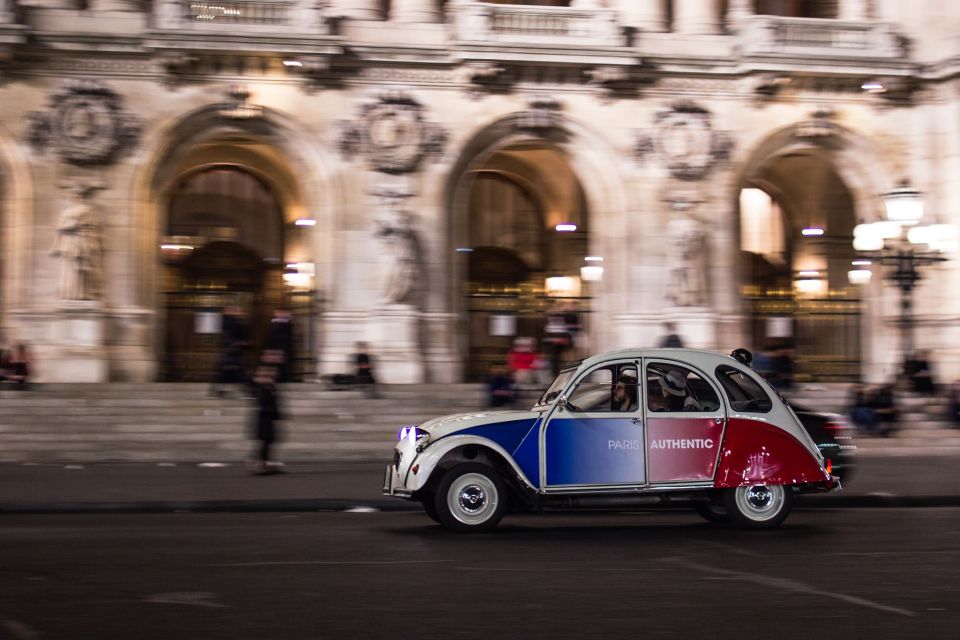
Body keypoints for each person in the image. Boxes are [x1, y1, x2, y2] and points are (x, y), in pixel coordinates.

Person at [50, 184, 104, 301]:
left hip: (82, 241)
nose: (71, 198)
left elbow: (91, 225)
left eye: (74, 196)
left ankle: (84, 293)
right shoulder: (65, 212)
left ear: (80, 197)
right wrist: (56, 246)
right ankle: (69, 293)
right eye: (70, 196)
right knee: (70, 268)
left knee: (82, 268)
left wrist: (77, 226)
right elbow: (59, 228)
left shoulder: (87, 210)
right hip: (69, 243)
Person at [248, 361, 283, 475]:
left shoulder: (271, 387)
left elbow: (275, 403)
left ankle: (264, 464)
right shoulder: (261, 388)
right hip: (264, 419)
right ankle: (259, 464)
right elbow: (263, 404)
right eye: (270, 376)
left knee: (268, 442)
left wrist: (277, 415)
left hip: (269, 419)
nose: (273, 377)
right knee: (265, 442)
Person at [209, 306, 250, 398]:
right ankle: (218, 391)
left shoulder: (234, 321)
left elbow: (241, 335)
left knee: (229, 372)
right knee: (232, 372)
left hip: (232, 351)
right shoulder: (230, 321)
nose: (238, 312)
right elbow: (230, 335)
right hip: (231, 351)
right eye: (236, 311)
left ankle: (218, 392)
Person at [267, 308, 295, 382]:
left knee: (282, 365)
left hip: (282, 348)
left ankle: (282, 378)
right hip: (280, 348)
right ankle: (281, 378)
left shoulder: (282, 323)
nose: (275, 314)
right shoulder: (279, 323)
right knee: (280, 365)